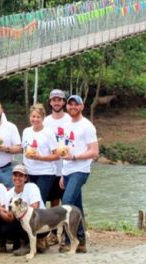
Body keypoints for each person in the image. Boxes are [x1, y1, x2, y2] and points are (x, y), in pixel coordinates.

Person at [58, 94, 98, 253]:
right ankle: (81, 242)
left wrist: (75, 157)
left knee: (67, 202)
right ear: (67, 106)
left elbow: (94, 151)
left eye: (76, 104)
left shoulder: (87, 126)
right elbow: (66, 148)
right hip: (67, 170)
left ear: (81, 106)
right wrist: (62, 173)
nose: (73, 107)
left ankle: (70, 241)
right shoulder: (67, 124)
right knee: (77, 205)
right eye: (70, 104)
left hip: (81, 170)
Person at [42, 89, 70, 246]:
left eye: (60, 100)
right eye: (54, 100)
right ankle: (52, 233)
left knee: (66, 201)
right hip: (49, 167)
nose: (57, 103)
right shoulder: (45, 121)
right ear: (50, 102)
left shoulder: (69, 120)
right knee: (51, 202)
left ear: (64, 102)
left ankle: (66, 233)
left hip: (66, 167)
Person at [2, 164, 44, 256]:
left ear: (25, 178)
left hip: (39, 222)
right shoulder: (9, 194)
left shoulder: (32, 187)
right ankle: (25, 243)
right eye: (15, 175)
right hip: (22, 221)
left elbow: (35, 209)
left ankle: (28, 244)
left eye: (21, 175)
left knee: (23, 219)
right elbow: (10, 217)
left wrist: (16, 209)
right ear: (12, 177)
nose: (17, 178)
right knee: (5, 228)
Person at [22, 104, 59, 205]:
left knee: (38, 203)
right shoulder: (26, 131)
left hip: (45, 173)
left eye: (38, 117)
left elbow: (56, 155)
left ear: (43, 118)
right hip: (28, 173)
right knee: (28, 203)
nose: (35, 119)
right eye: (33, 116)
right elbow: (24, 151)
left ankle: (42, 221)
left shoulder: (48, 133)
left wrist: (40, 157)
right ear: (30, 117)